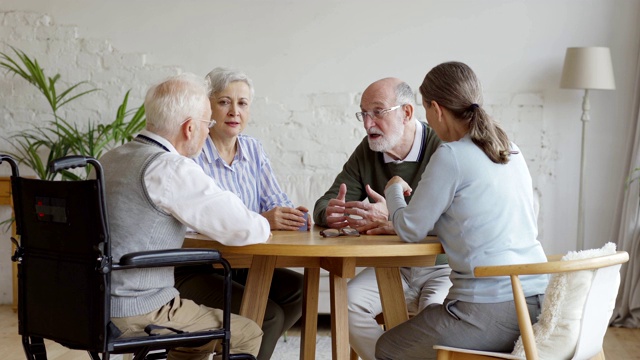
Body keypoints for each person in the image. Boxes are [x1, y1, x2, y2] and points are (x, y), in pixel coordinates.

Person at [375, 62, 548, 360]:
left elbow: (409, 229)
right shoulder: (510, 149)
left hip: (487, 312)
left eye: (425, 109)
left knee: (388, 347)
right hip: (536, 303)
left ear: (437, 109)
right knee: (429, 318)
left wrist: (393, 189)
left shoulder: (451, 155)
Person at [100, 73, 270, 359]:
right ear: (190, 128)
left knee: (197, 330)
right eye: (208, 124)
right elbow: (244, 228)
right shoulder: (171, 168)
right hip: (137, 309)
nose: (209, 131)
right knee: (246, 332)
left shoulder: (109, 158)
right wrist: (265, 220)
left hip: (93, 303)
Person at [312, 77, 452, 360]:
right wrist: (333, 213)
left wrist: (394, 216)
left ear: (407, 113)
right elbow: (323, 204)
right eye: (363, 113)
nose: (367, 124)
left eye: (377, 112)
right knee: (345, 302)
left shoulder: (443, 149)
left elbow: (454, 218)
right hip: (393, 269)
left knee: (435, 325)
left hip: (442, 268)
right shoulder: (368, 150)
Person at [175, 67, 306, 360]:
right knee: (267, 316)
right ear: (208, 106)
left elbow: (277, 204)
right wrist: (262, 219)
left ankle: (236, 350)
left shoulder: (253, 150)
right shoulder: (193, 153)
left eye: (242, 103)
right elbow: (203, 223)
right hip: (198, 267)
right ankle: (238, 347)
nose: (234, 111)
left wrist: (294, 217)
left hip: (246, 264)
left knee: (301, 290)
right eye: (224, 102)